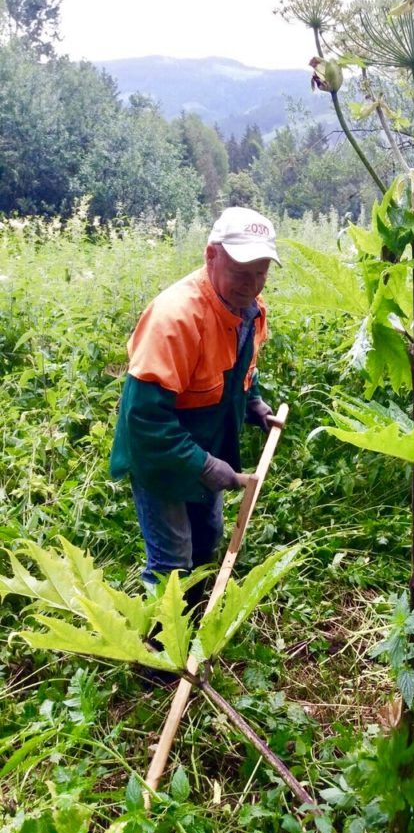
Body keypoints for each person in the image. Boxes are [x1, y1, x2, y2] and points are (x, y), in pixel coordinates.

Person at [110, 207, 279, 591]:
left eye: (261, 271)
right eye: (240, 271)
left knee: (207, 540)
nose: (251, 284)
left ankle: (195, 623)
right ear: (211, 255)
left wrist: (252, 402)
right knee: (172, 563)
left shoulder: (249, 311)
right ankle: (158, 644)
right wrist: (204, 466)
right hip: (161, 459)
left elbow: (238, 371)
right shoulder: (175, 318)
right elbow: (144, 420)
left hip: (209, 449)